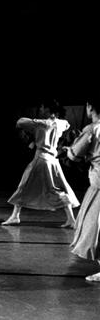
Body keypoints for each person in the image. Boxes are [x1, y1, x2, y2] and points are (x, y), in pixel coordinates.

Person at [2, 101, 79, 227]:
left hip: (41, 159)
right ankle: (71, 219)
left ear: (47, 109)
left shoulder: (41, 123)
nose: (41, 109)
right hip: (53, 161)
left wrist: (35, 123)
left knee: (24, 186)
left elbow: (20, 122)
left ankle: (15, 216)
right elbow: (67, 125)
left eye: (42, 107)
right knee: (58, 189)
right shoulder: (61, 123)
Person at [64, 99, 100, 280]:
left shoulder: (92, 129)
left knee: (95, 227)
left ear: (90, 107)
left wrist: (68, 149)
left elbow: (74, 154)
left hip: (99, 186)